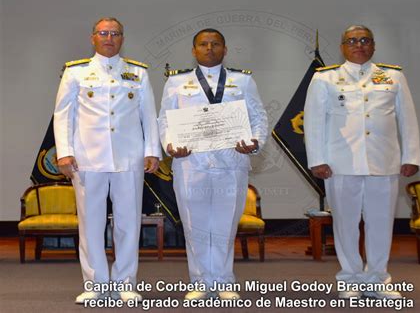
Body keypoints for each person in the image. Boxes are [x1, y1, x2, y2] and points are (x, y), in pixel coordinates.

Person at [304, 25, 420, 300]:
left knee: (381, 223)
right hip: (340, 164)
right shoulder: (325, 78)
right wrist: (317, 160)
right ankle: (350, 278)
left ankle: (378, 279)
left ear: (373, 45)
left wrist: (411, 156)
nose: (359, 44)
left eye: (365, 40)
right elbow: (313, 122)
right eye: (352, 40)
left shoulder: (392, 76)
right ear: (343, 46)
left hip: (384, 162)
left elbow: (408, 119)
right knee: (345, 223)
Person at [54, 17, 161, 304]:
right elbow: (63, 114)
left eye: (115, 33)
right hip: (87, 158)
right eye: (103, 33)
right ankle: (95, 284)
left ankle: (126, 282)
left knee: (128, 222)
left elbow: (148, 115)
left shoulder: (138, 73)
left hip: (129, 158)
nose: (109, 38)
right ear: (93, 38)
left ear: (122, 38)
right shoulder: (76, 73)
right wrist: (64, 151)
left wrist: (152, 149)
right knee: (90, 223)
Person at [158, 28, 268, 300]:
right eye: (203, 44)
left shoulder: (242, 82)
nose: (209, 48)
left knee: (225, 225)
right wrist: (170, 145)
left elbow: (259, 117)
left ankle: (224, 280)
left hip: (231, 162)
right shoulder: (176, 83)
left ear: (225, 49)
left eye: (215, 44)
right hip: (190, 163)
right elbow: (165, 120)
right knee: (194, 226)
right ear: (194, 50)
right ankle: (199, 281)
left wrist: (254, 142)